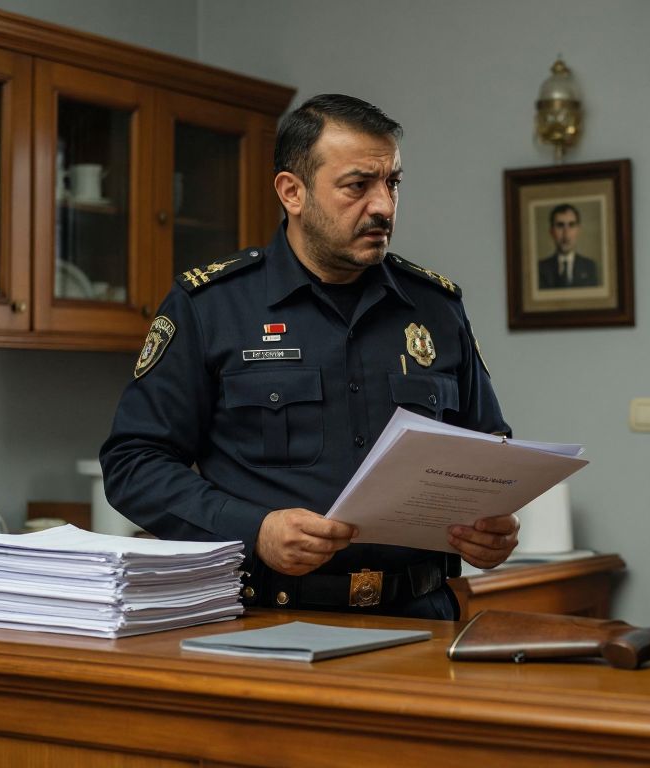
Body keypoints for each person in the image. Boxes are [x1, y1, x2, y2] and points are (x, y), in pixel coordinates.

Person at [100, 94, 518, 620]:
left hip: (422, 616)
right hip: (267, 619)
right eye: (357, 186)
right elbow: (133, 464)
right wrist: (255, 528)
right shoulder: (211, 306)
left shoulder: (435, 307)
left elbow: (488, 451)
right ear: (292, 192)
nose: (383, 206)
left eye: (392, 183)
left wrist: (491, 528)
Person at [536, 203, 599, 288]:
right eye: (560, 225)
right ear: (551, 231)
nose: (566, 233)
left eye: (571, 225)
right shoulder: (540, 269)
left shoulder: (590, 267)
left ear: (578, 230)